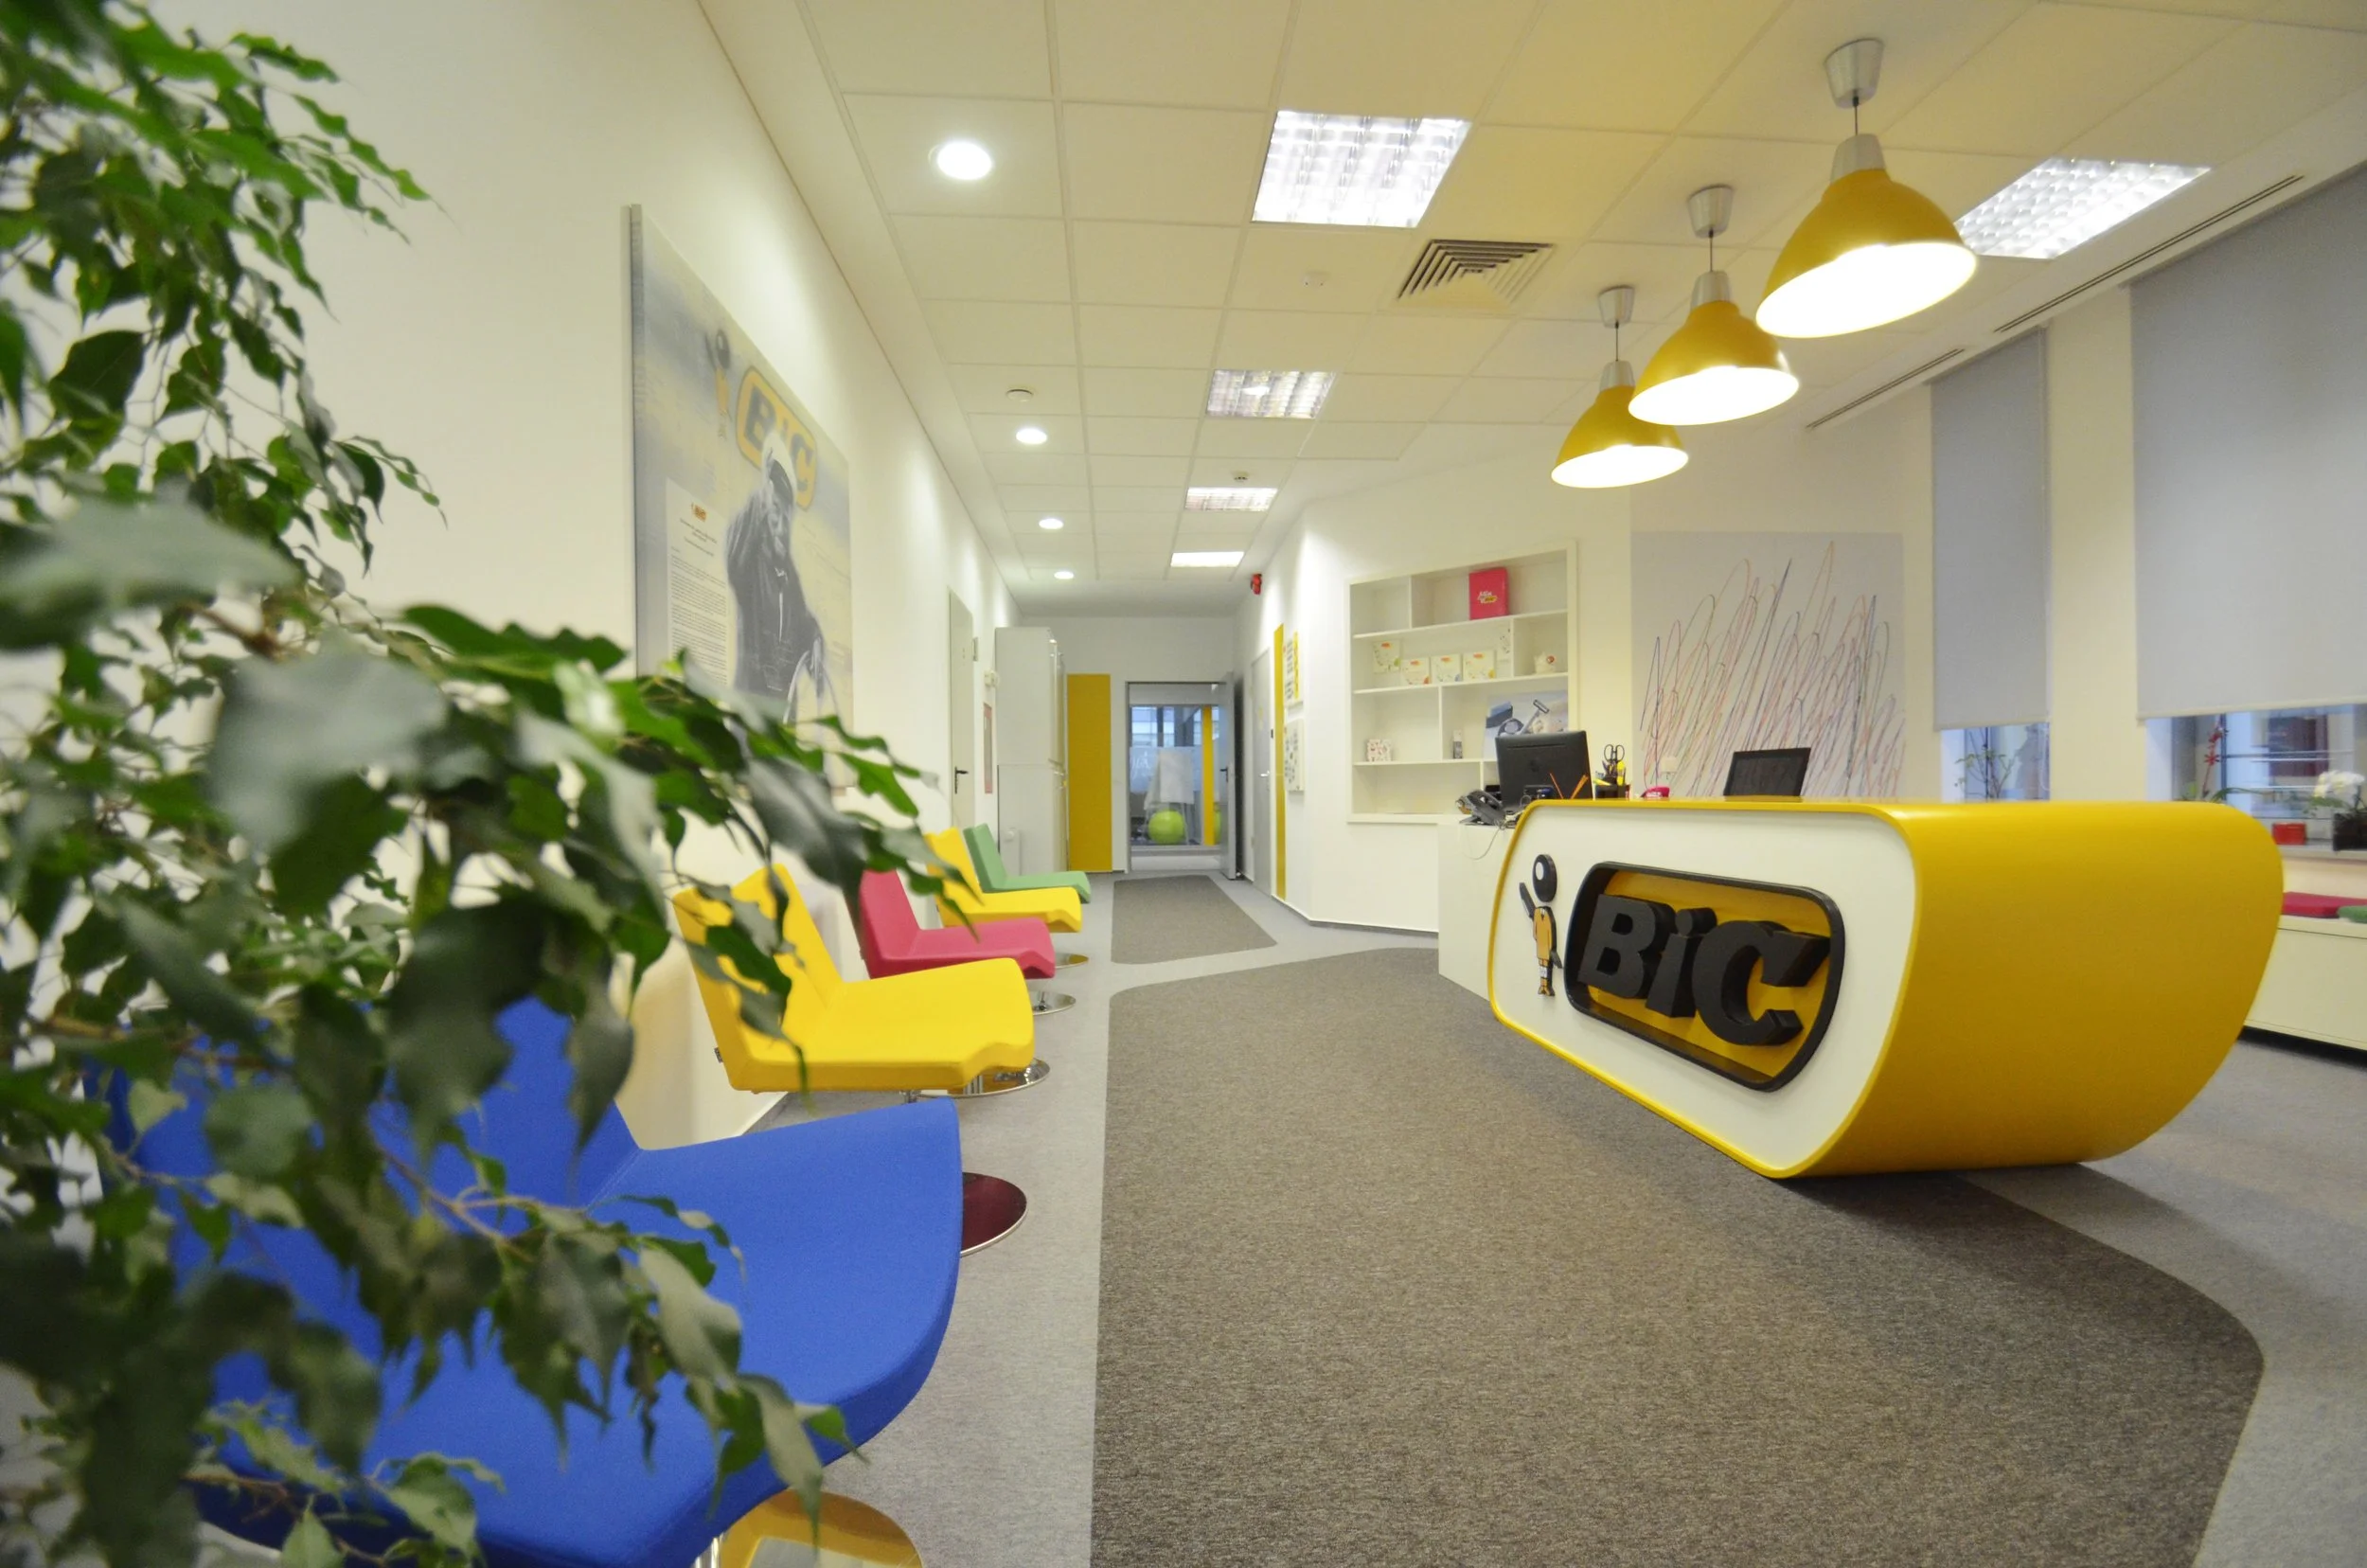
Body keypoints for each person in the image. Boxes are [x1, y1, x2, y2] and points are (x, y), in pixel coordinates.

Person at [723, 430, 831, 720]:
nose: (780, 523)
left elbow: (803, 624)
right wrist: (761, 500)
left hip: (783, 739)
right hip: (749, 733)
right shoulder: (749, 561)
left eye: (786, 514)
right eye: (774, 511)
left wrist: (817, 642)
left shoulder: (790, 579)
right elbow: (734, 553)